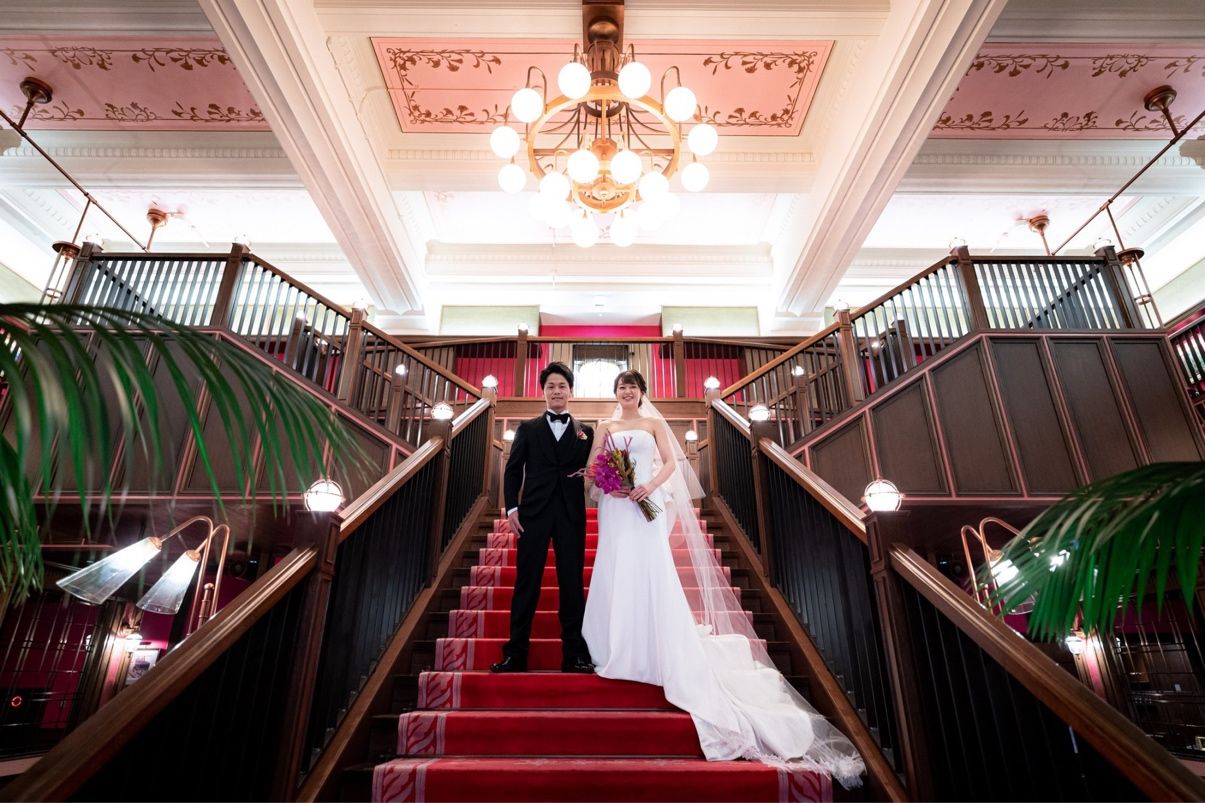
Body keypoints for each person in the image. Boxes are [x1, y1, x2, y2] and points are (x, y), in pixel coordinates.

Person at [581, 370, 865, 787]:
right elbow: (593, 468)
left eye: (633, 387)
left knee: (650, 567)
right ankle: (615, 640)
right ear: (615, 392)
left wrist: (647, 486)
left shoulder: (654, 422)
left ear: (642, 392)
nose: (627, 392)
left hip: (646, 500)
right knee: (615, 566)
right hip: (617, 505)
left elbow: (670, 463)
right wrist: (611, 484)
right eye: (622, 387)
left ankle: (655, 639)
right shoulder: (604, 425)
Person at [491, 361, 596, 674]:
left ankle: (574, 655)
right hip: (532, 515)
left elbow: (594, 471)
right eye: (551, 386)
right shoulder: (527, 429)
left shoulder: (586, 433)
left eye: (562, 386)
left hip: (571, 515)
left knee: (572, 583)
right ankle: (516, 654)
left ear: (571, 391)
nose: (557, 391)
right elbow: (512, 471)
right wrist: (512, 508)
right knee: (527, 582)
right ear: (544, 392)